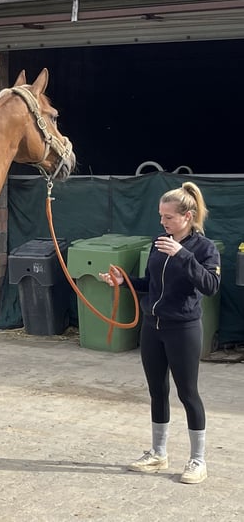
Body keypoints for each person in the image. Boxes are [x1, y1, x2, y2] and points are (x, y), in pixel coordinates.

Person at [99, 181, 221, 484]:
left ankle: (198, 460)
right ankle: (158, 452)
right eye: (161, 216)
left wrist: (182, 255)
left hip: (184, 328)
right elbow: (152, 284)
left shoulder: (204, 249)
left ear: (188, 216)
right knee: (157, 391)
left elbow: (210, 286)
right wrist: (122, 282)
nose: (163, 222)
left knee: (188, 393)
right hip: (153, 328)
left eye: (168, 217)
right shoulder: (159, 242)